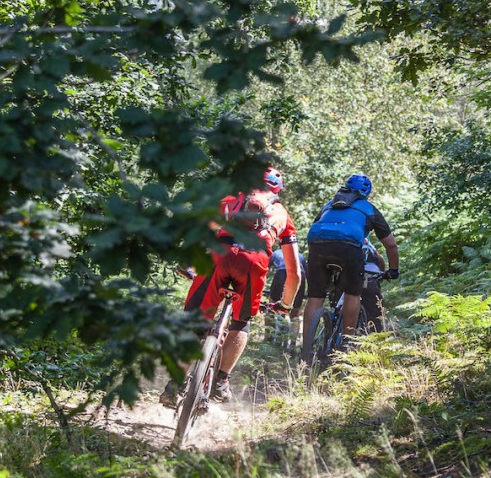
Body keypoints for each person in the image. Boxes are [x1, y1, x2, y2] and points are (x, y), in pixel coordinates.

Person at [160, 166, 302, 406]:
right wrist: (285, 305)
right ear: (277, 190)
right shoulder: (282, 214)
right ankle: (221, 381)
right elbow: (294, 272)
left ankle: (174, 385)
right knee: (241, 322)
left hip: (219, 256)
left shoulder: (230, 201)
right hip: (253, 263)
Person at [303, 174, 399, 348]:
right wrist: (393, 270)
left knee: (315, 298)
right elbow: (391, 245)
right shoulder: (368, 208)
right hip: (348, 248)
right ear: (367, 193)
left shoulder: (329, 205)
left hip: (317, 246)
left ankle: (306, 348)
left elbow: (316, 228)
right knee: (352, 294)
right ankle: (347, 346)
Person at [266, 248, 307, 345]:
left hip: (281, 273)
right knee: (295, 313)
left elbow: (265, 269)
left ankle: (268, 338)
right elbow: (307, 274)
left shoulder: (275, 253)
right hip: (299, 276)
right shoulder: (300, 255)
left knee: (270, 307)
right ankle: (293, 343)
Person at [362, 238, 386, 333]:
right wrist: (382, 274)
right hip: (369, 279)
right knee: (375, 313)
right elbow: (380, 259)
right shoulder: (366, 243)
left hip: (345, 277)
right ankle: (376, 334)